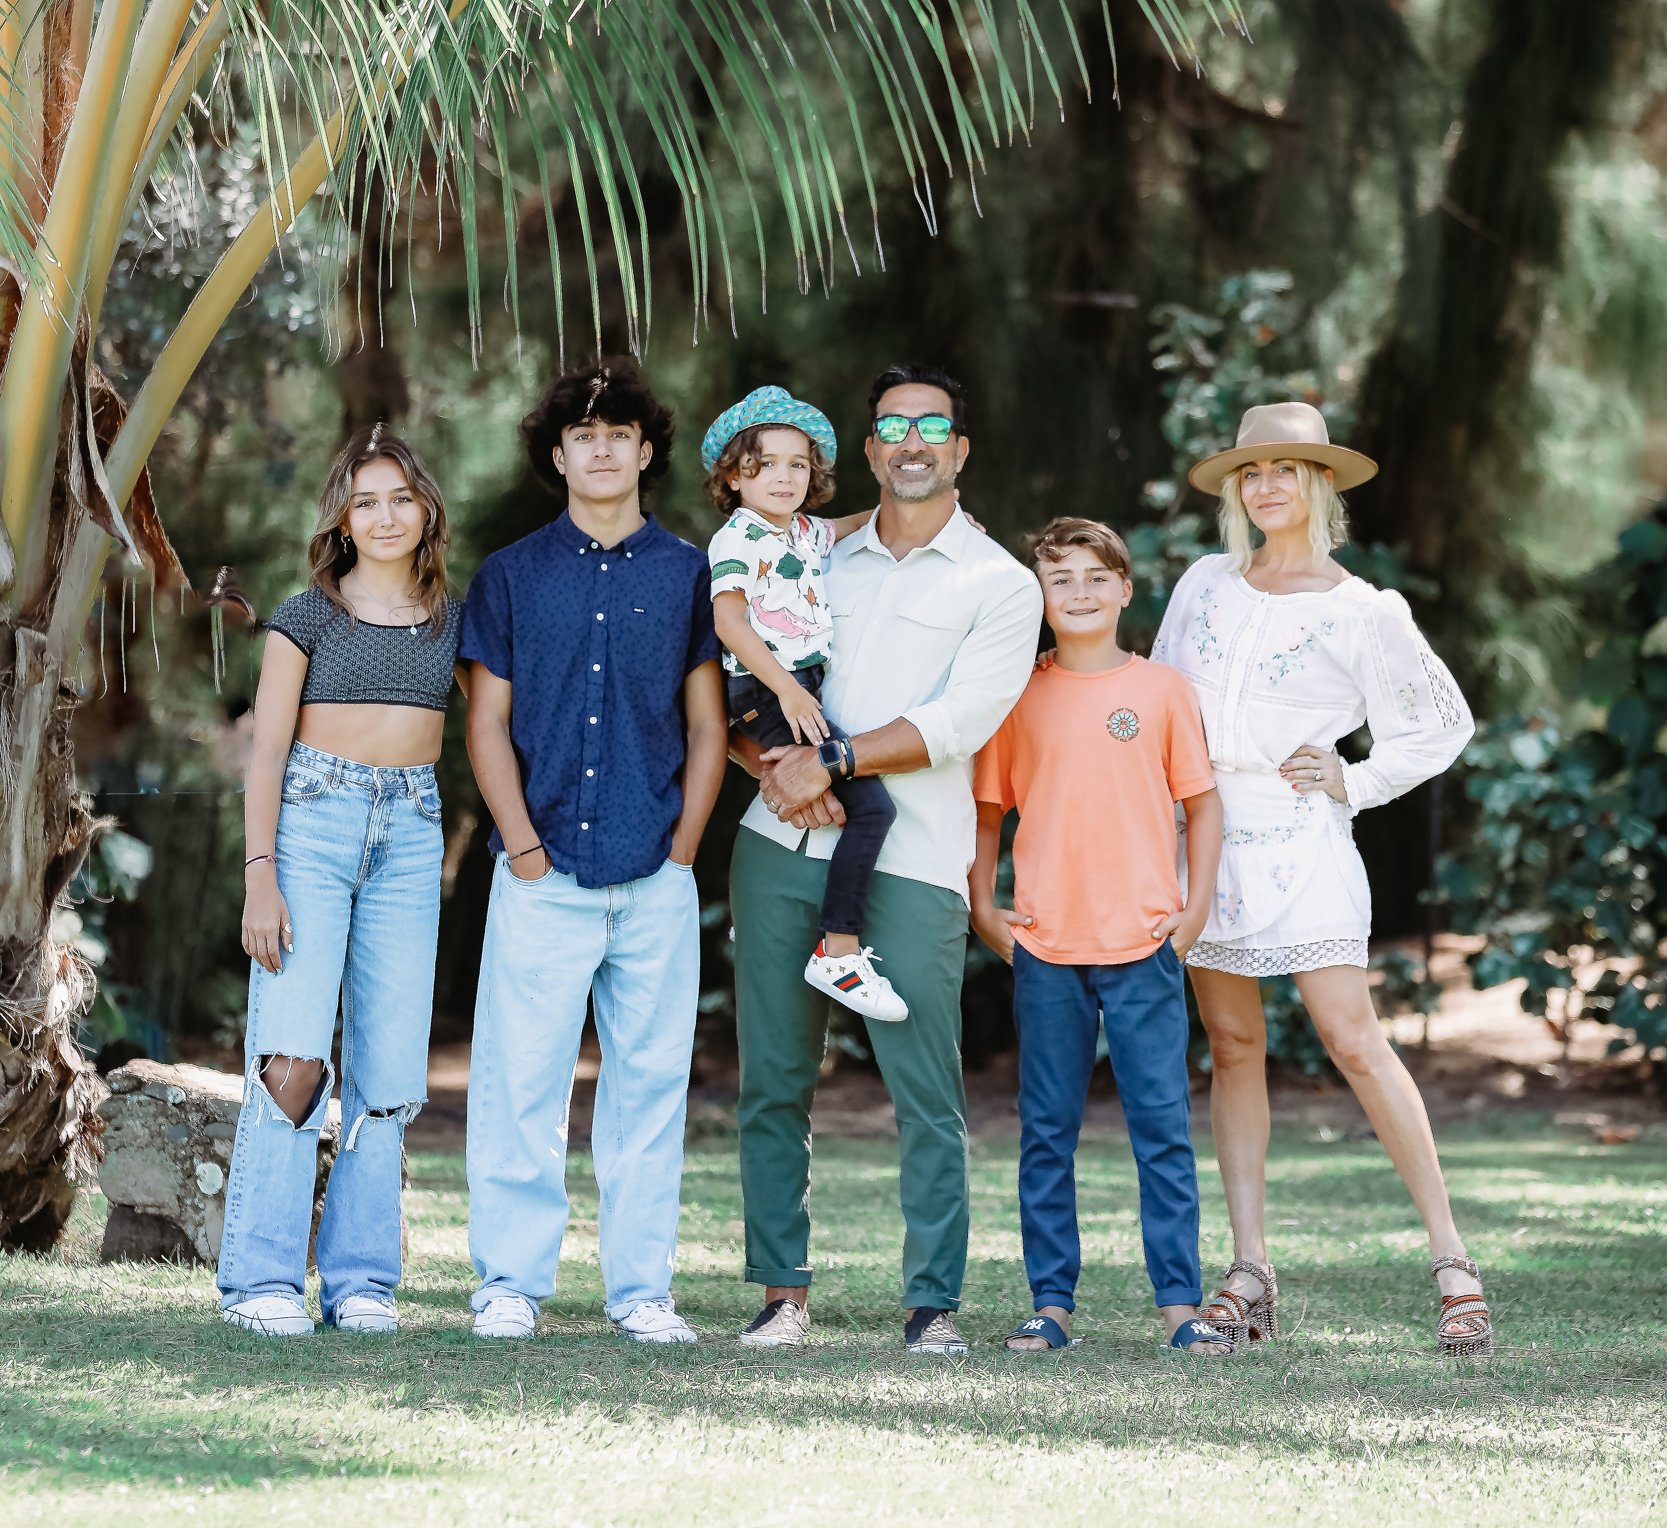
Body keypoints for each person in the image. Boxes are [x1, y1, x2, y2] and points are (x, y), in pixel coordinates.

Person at [1152, 401, 1492, 1358]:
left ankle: (1453, 1262)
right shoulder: (1204, 584)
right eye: (1249, 472)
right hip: (1203, 834)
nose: (1263, 486)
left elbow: (1440, 722)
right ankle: (1250, 1271)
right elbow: (1167, 694)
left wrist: (1356, 777)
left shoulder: (1363, 611)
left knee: (1352, 1040)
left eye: (1284, 471)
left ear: (1319, 485)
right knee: (1230, 1043)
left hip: (1301, 838)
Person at [729, 364, 1042, 1353]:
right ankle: (782, 1295)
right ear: (866, 451)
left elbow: (961, 720)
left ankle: (931, 1305)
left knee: (925, 1091)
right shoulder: (807, 549)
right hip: (778, 839)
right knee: (773, 1080)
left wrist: (833, 760)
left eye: (931, 426)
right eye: (891, 427)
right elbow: (737, 663)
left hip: (910, 855)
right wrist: (770, 766)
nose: (911, 441)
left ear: (957, 449)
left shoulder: (1001, 582)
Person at [460, 359, 728, 1344]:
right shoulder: (511, 575)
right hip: (541, 870)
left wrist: (685, 849)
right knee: (519, 1082)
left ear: (647, 449)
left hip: (655, 868)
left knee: (650, 1087)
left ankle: (640, 1293)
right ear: (557, 453)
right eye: (583, 433)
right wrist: (522, 848)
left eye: (620, 431)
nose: (602, 447)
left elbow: (706, 726)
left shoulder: (689, 572)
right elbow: (484, 722)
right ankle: (509, 1286)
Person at [218, 425, 462, 1337]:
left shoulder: (452, 618)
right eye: (367, 500)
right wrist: (260, 878)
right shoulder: (305, 614)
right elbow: (266, 754)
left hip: (409, 833)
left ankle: (362, 1283)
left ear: (426, 508)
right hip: (310, 828)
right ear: (343, 517)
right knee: (291, 1059)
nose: (387, 514)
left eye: (401, 496)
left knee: (390, 1067)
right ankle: (261, 1285)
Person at [971, 517, 1231, 1356]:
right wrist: (984, 901)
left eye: (1094, 577)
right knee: (1047, 1129)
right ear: (1038, 596)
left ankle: (1178, 1307)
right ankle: (1051, 1303)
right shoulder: (1018, 690)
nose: (1077, 593)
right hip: (1046, 944)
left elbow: (1202, 805)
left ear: (1124, 589)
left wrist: (1191, 913)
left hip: (1145, 943)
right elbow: (986, 810)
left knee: (1162, 1130)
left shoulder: (1160, 691)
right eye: (1059, 580)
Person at [702, 385, 906, 1022]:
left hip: (797, 687)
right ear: (735, 475)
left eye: (798, 464)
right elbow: (731, 623)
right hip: (768, 688)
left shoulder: (802, 533)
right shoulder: (739, 538)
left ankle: (769, 923)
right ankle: (839, 949)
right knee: (869, 807)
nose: (784, 477)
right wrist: (787, 689)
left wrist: (944, 519)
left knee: (831, 802)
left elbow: (854, 524)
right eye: (764, 465)